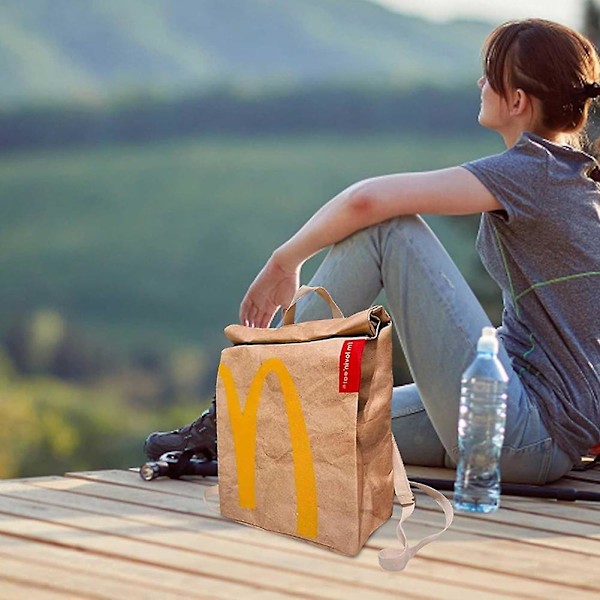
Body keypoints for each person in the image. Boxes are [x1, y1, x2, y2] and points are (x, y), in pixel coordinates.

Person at [145, 19, 600, 484]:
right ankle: (245, 423)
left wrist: (285, 260)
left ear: (519, 100)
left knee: (389, 229)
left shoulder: (534, 171)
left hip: (520, 433)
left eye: (489, 75)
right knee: (315, 428)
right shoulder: (575, 180)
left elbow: (367, 201)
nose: (480, 84)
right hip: (521, 417)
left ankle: (240, 409)